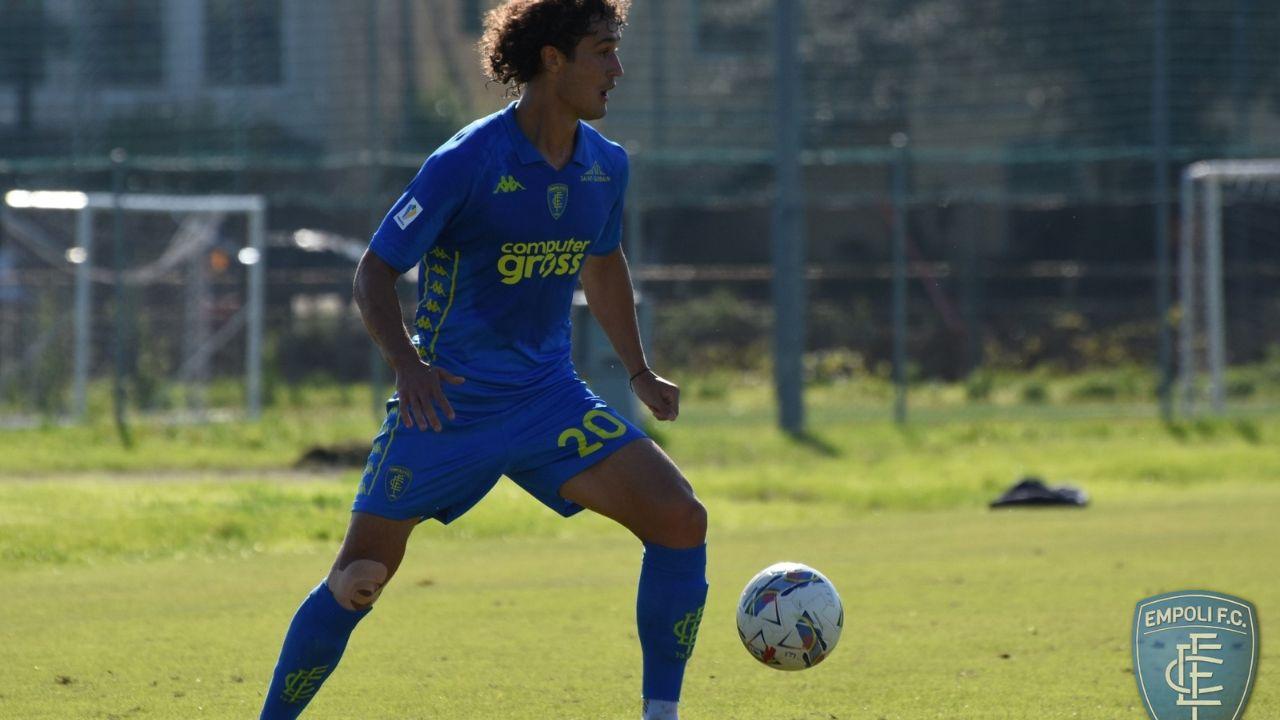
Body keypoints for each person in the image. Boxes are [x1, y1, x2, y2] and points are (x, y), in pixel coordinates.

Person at [258, 2, 708, 718]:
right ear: (552, 59)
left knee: (680, 519)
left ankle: (662, 713)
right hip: (449, 405)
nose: (617, 70)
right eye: (603, 52)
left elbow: (603, 263)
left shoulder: (606, 166)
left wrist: (638, 370)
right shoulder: (466, 161)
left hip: (548, 398)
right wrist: (408, 366)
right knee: (360, 578)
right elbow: (373, 273)